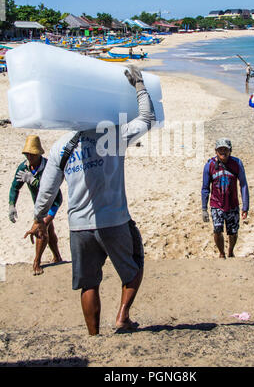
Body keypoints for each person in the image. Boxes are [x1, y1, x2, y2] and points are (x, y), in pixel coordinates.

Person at [24, 66, 156, 336]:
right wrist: (139, 85)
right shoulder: (113, 133)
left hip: (78, 227)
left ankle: (94, 337)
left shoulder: (62, 145)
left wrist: (39, 219)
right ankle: (122, 317)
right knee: (133, 269)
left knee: (89, 284)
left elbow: (46, 190)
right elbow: (147, 118)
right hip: (115, 221)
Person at [9, 135, 63, 275]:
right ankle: (57, 256)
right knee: (49, 230)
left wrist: (34, 182)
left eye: (32, 154)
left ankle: (36, 262)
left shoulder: (48, 167)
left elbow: (51, 189)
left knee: (41, 228)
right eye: (27, 154)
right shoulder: (24, 167)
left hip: (53, 203)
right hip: (39, 206)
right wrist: (12, 204)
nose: (29, 157)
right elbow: (15, 187)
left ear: (38, 153)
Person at [201, 138, 249, 259]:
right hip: (216, 204)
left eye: (226, 150)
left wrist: (245, 206)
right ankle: (221, 253)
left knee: (233, 232)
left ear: (230, 150)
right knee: (217, 230)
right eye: (220, 150)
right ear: (216, 151)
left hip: (232, 204)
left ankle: (231, 251)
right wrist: (204, 209)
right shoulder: (210, 165)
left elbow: (243, 184)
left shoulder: (237, 163)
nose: (223, 152)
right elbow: (205, 188)